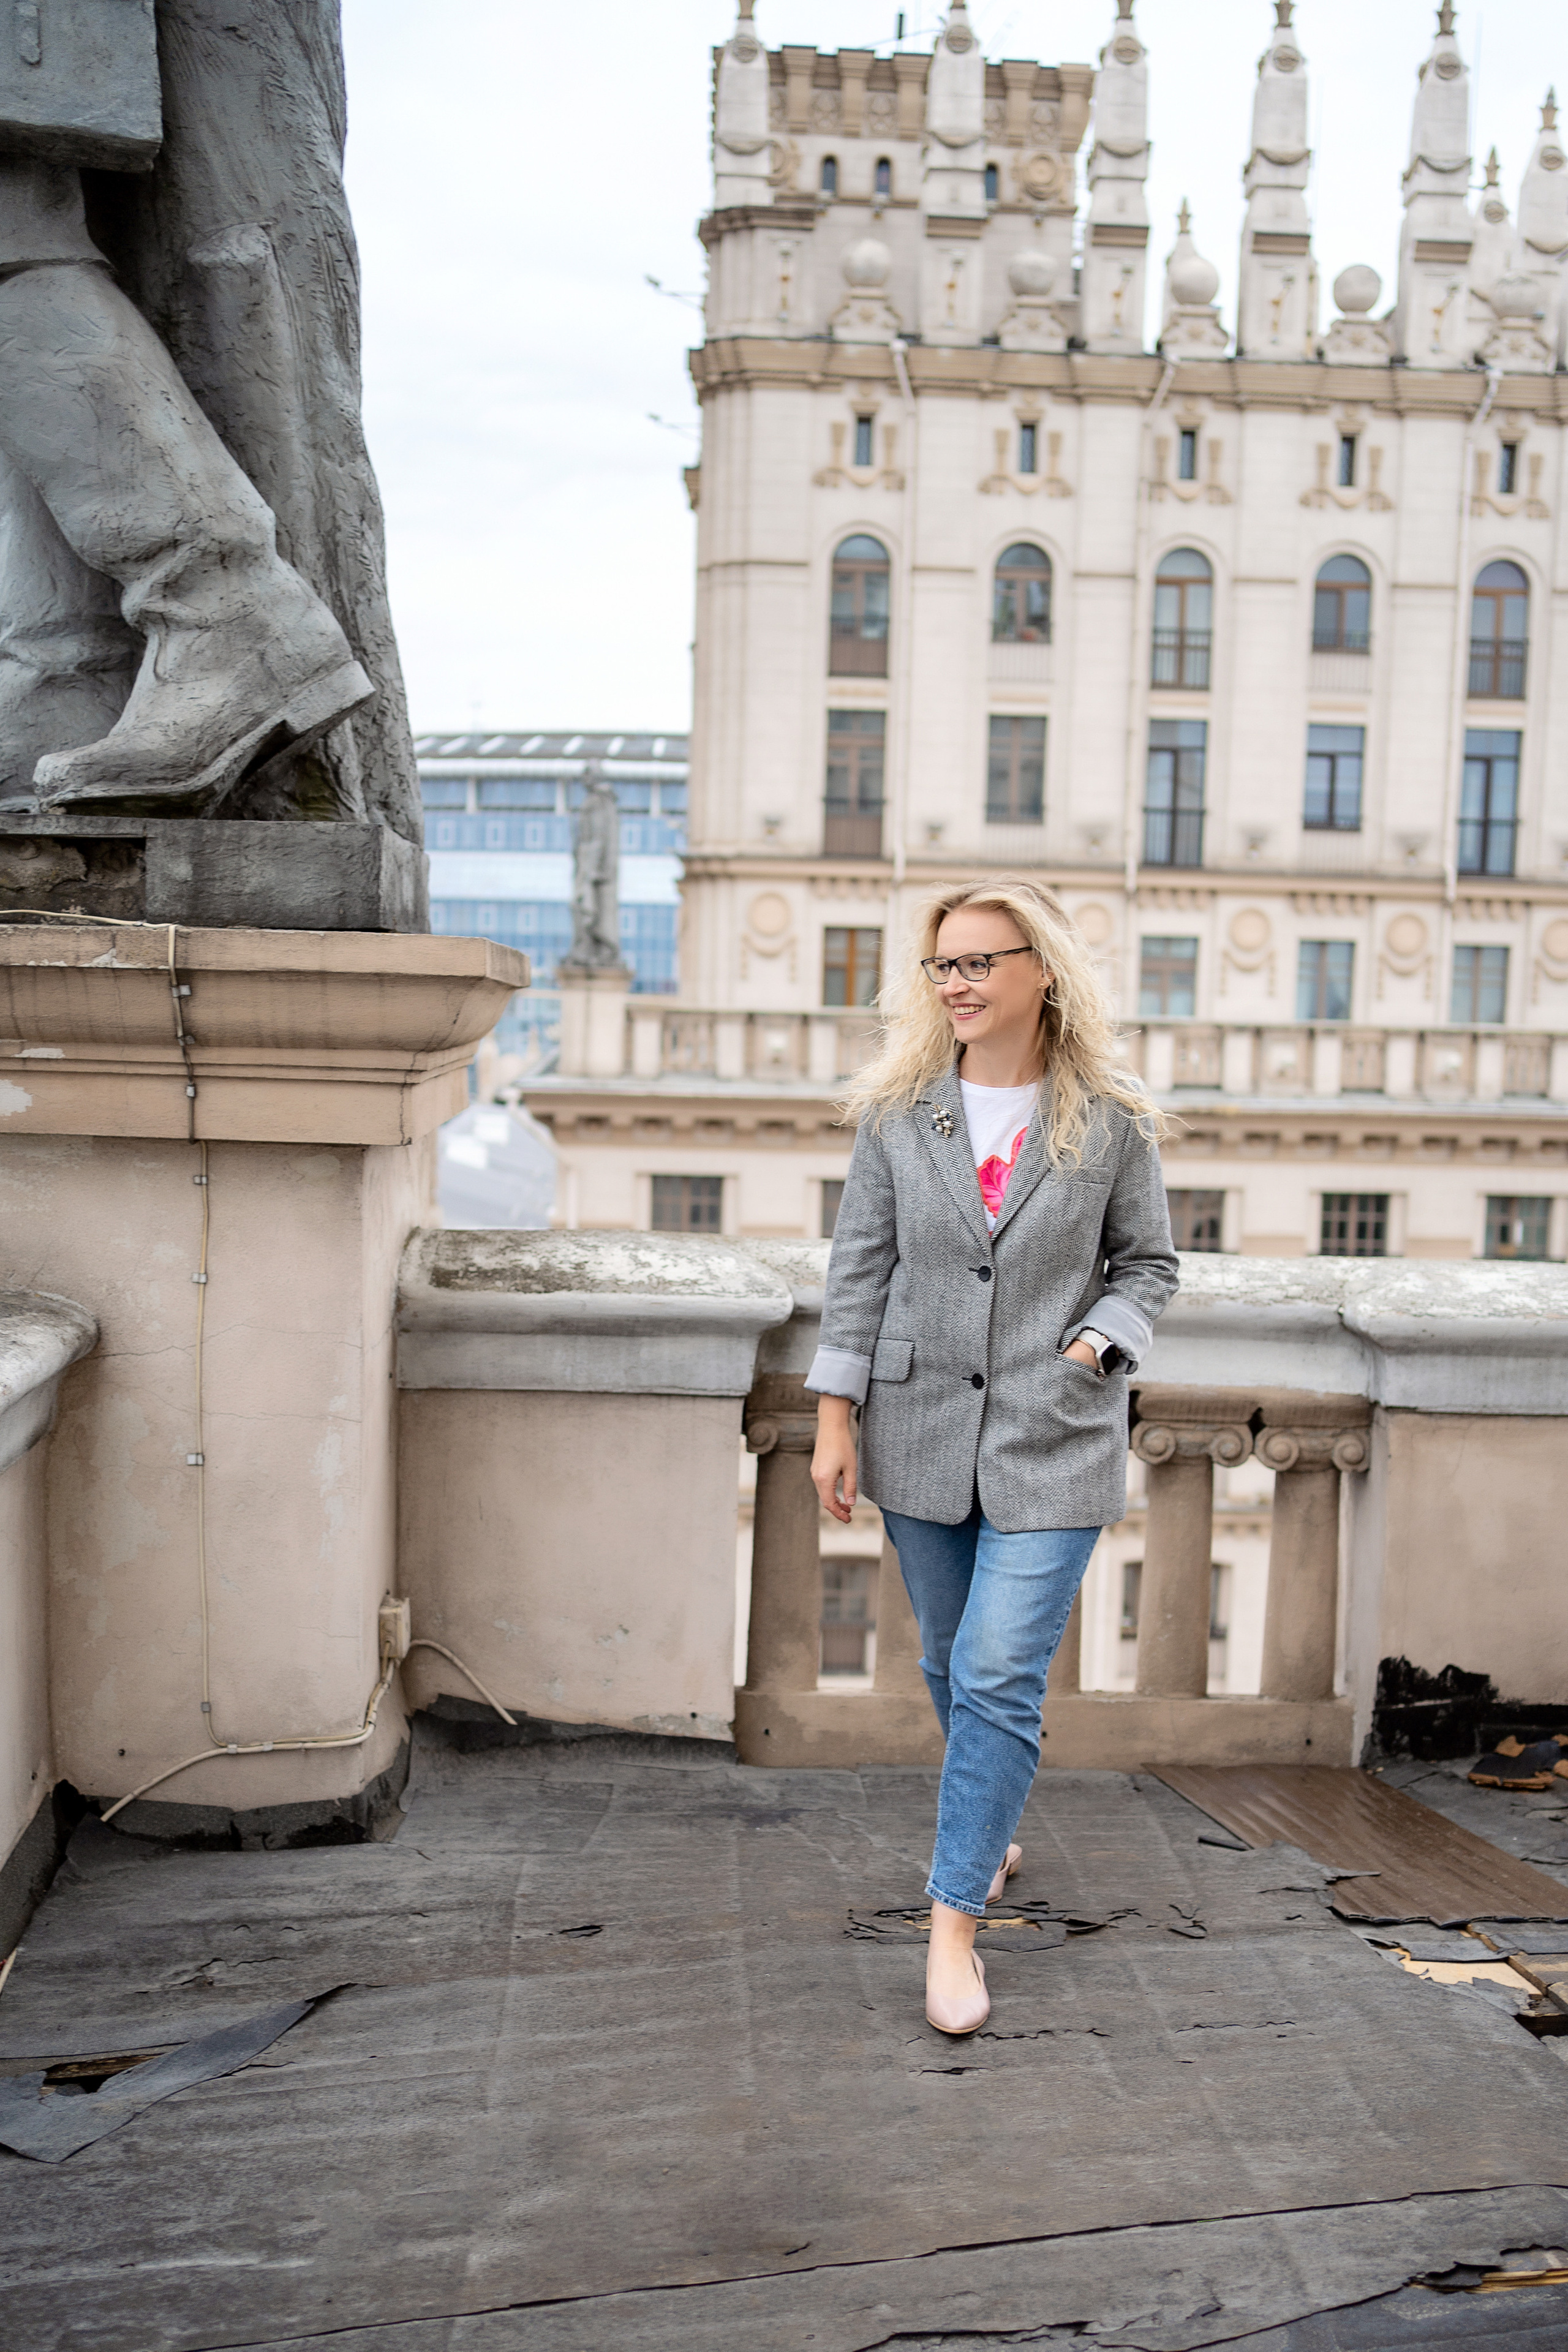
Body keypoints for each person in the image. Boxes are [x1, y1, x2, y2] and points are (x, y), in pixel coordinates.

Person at [807, 878, 1177, 2034]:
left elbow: (1149, 1269)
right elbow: (858, 1273)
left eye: (978, 962)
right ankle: (993, 1820)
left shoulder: (1109, 1121)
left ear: (1041, 971)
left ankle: (954, 1921)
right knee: (951, 1667)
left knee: (1001, 1673)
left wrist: (1094, 1342)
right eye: (942, 967)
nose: (955, 984)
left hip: (1056, 1438)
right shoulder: (899, 1115)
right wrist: (833, 1419)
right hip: (918, 1435)